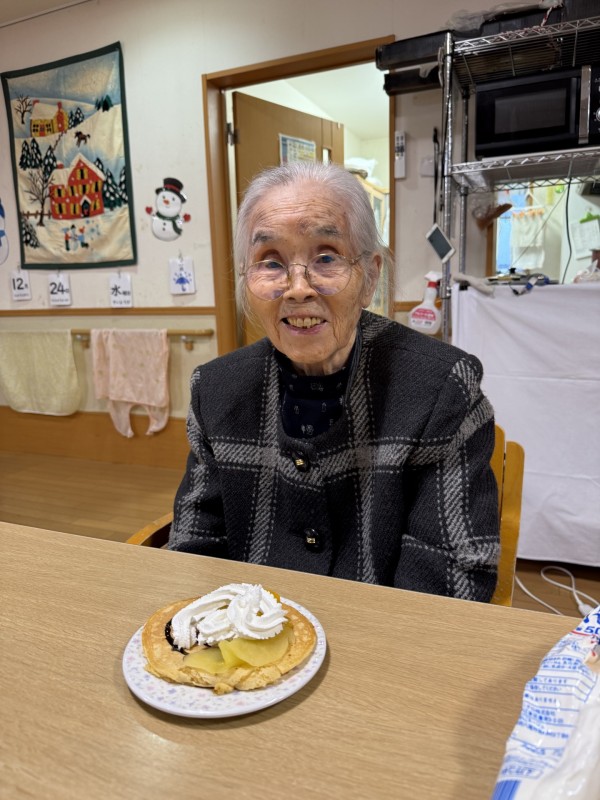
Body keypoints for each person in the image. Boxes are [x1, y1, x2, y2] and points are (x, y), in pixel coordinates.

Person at [169, 161, 499, 602]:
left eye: (326, 258)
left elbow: (450, 582)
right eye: (270, 262)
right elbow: (195, 551)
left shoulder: (442, 389)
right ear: (246, 278)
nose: (297, 288)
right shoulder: (216, 390)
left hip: (381, 635)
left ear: (370, 276)